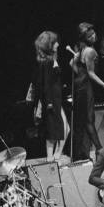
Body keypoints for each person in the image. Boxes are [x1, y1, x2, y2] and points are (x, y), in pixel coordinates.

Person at [70, 22, 104, 160]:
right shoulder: (90, 51)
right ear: (85, 38)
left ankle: (82, 152)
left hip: (80, 85)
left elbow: (72, 64)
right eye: (90, 35)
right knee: (89, 119)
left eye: (94, 33)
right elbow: (91, 73)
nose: (94, 36)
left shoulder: (83, 49)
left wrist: (79, 73)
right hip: (85, 86)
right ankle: (100, 150)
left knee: (83, 120)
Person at [31, 31, 69, 162]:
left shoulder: (51, 59)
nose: (58, 44)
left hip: (56, 100)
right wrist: (49, 103)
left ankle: (55, 156)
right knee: (53, 132)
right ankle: (51, 158)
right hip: (52, 101)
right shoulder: (47, 62)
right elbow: (45, 85)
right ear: (49, 45)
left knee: (63, 129)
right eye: (55, 42)